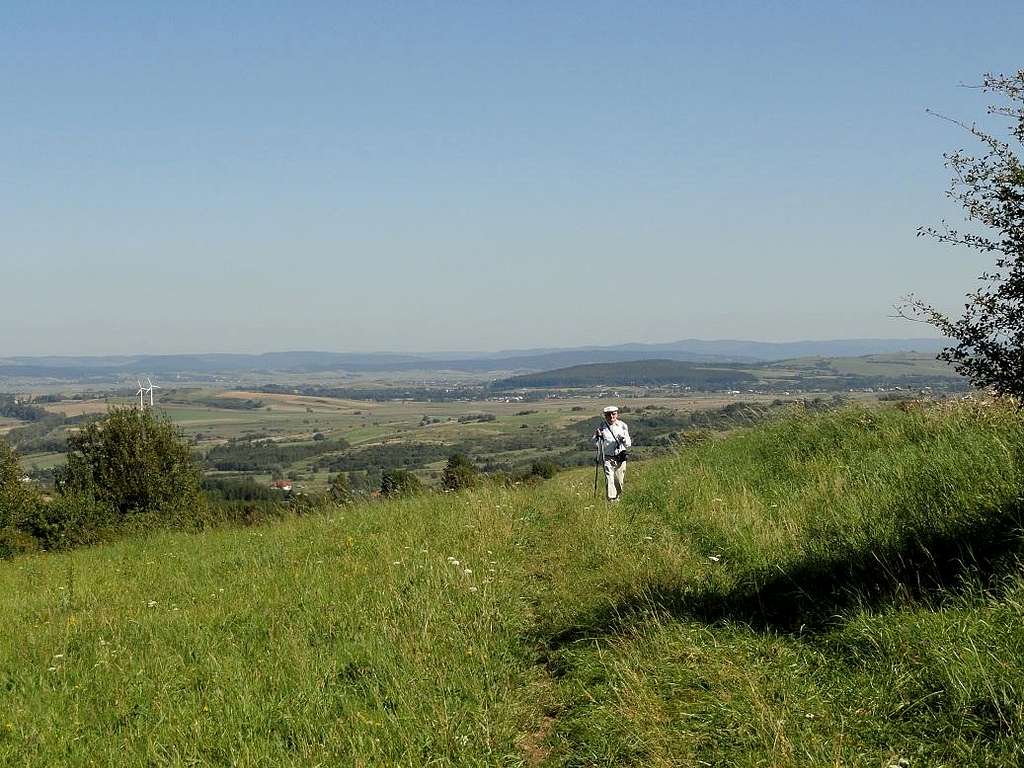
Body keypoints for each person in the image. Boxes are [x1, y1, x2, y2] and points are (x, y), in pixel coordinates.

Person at [593, 405, 631, 501]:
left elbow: (628, 444)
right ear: (605, 416)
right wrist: (598, 436)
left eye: (613, 414)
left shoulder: (623, 426)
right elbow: (596, 444)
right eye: (608, 414)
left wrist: (624, 439)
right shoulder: (601, 427)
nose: (611, 416)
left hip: (620, 457)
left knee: (619, 480)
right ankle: (611, 500)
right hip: (608, 458)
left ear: (617, 414)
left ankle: (617, 498)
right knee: (609, 479)